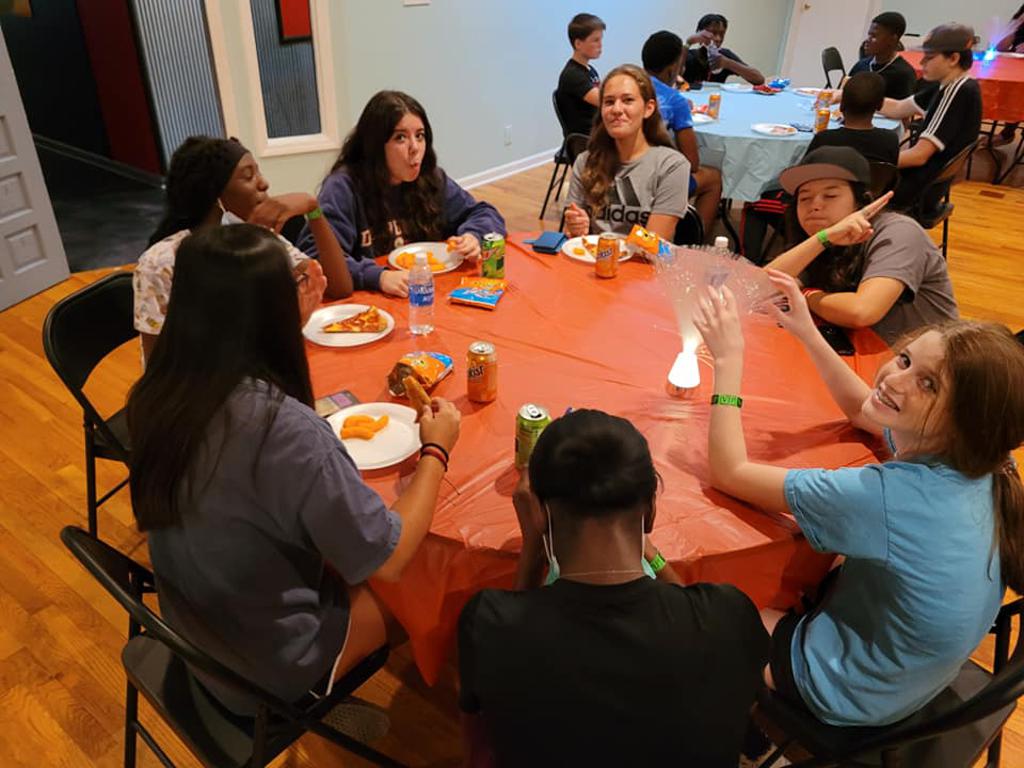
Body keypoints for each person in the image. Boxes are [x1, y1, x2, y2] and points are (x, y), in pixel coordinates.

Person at [127, 224, 461, 716]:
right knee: (423, 589)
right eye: (295, 285)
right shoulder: (283, 431)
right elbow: (388, 557)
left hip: (191, 630)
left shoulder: (156, 395)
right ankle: (338, 708)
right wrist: (436, 450)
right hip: (261, 673)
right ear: (271, 313)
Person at [693, 274, 1024, 730]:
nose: (894, 380)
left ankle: (737, 728)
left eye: (928, 384)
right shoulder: (983, 457)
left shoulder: (887, 498)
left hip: (848, 690)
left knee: (708, 609)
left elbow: (729, 471)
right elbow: (862, 409)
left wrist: (728, 361)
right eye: (904, 359)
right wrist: (807, 331)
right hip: (909, 678)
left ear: (964, 421)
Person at [458, 409, 770, 765]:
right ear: (650, 511)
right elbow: (692, 615)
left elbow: (478, 749)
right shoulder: (727, 616)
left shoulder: (489, 623)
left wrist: (532, 546)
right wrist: (652, 554)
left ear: (540, 513)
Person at [134, 136, 352, 361]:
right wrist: (285, 326)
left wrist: (313, 209)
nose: (264, 183)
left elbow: (339, 287)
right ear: (216, 195)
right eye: (248, 176)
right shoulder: (162, 262)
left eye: (259, 172)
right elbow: (158, 367)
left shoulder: (258, 236)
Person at [297, 91, 505, 297]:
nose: (415, 148)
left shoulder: (430, 177)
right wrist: (378, 276)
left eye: (420, 136)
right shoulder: (343, 187)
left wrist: (473, 236)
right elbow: (314, 259)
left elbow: (485, 213)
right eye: (400, 137)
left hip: (428, 293)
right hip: (369, 301)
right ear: (375, 146)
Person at [765, 147, 958, 344]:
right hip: (853, 346)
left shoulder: (898, 231)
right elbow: (759, 287)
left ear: (860, 201)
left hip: (921, 357)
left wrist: (804, 294)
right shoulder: (821, 238)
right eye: (804, 198)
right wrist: (821, 239)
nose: (815, 205)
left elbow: (861, 312)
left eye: (830, 196)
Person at [564, 65, 690, 243]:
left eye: (628, 100)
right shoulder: (585, 161)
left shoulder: (671, 166)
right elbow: (573, 235)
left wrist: (609, 242)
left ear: (648, 108)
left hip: (644, 259)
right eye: (609, 102)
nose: (616, 109)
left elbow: (654, 242)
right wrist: (576, 228)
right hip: (595, 256)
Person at [879, 23, 982, 215]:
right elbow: (899, 108)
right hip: (923, 183)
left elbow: (919, 156)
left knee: (846, 180)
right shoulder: (946, 84)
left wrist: (871, 161)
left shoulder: (957, 93)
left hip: (917, 190)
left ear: (953, 58)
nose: (921, 63)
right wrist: (851, 97)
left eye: (929, 57)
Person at [642, 30, 723, 237]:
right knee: (713, 178)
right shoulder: (674, 100)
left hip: (616, 170)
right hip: (652, 180)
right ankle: (694, 244)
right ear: (673, 69)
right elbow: (691, 163)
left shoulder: (628, 87)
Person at [808, 72, 900, 165]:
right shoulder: (890, 140)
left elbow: (805, 169)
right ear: (880, 106)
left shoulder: (824, 139)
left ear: (841, 106)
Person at [846, 12, 917, 100]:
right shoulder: (861, 66)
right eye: (869, 35)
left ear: (892, 39)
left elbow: (905, 107)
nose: (867, 40)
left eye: (874, 36)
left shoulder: (903, 75)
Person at [555, 13, 605, 136]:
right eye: (595, 40)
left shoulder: (590, 70)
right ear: (578, 44)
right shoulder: (573, 75)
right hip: (585, 139)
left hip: (596, 132)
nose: (600, 45)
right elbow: (604, 100)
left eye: (601, 39)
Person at [682, 14, 765, 87]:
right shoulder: (688, 54)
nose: (718, 39)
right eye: (713, 33)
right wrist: (688, 43)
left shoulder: (724, 55)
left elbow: (759, 80)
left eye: (722, 34)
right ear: (699, 33)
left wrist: (727, 63)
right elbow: (675, 77)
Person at [992, 4, 1024, 146]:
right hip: (1016, 67)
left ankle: (1007, 133)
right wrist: (1017, 23)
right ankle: (1007, 133)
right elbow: (1000, 47)